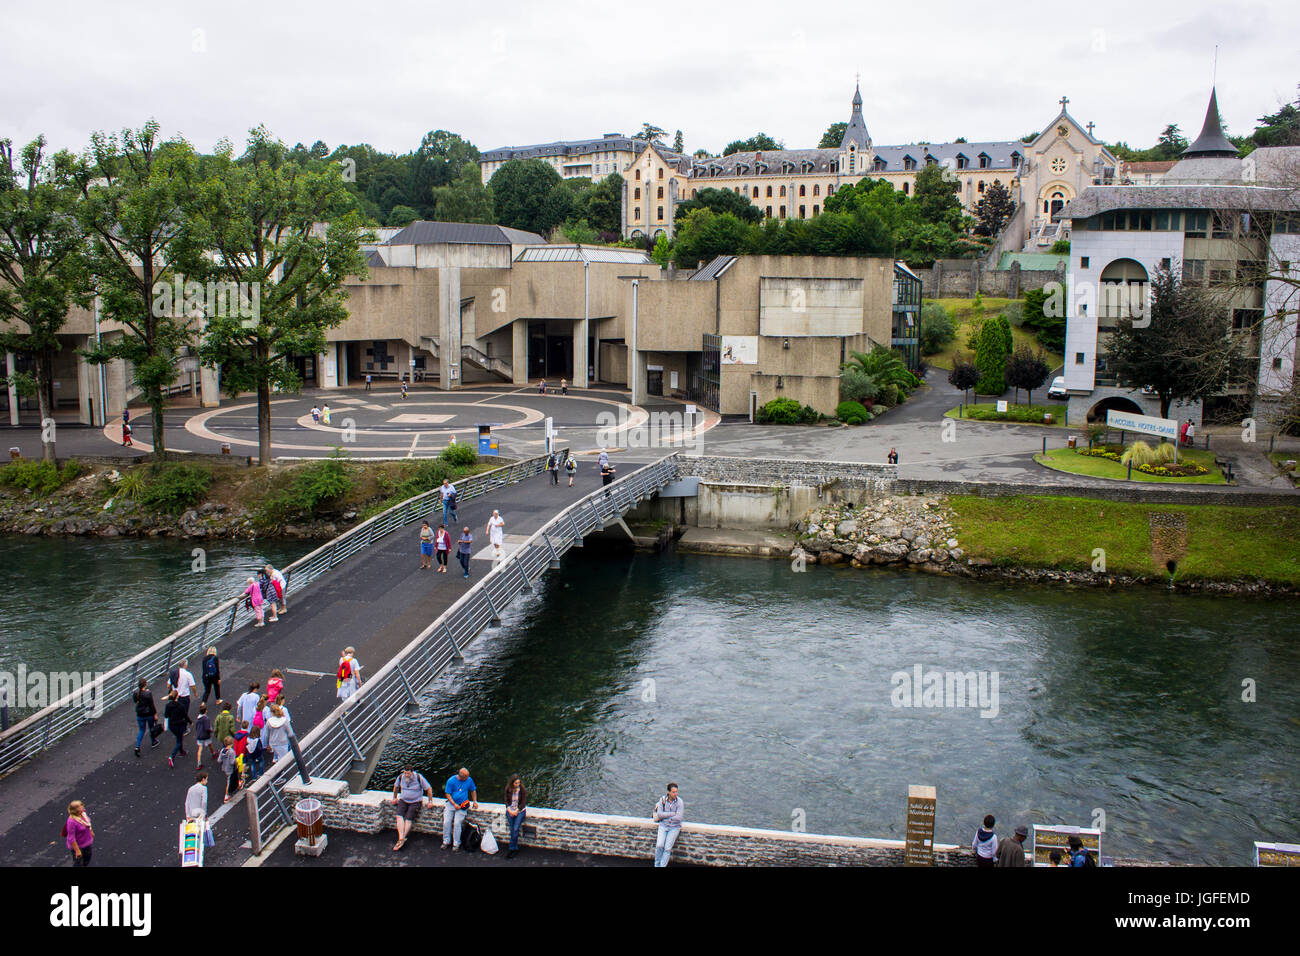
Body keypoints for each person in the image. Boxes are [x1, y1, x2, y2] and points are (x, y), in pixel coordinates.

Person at [390, 764, 433, 851]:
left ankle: (401, 840)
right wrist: (394, 798)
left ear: (412, 773)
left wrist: (430, 801)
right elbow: (396, 787)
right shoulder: (401, 777)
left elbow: (428, 789)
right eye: (405, 773)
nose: (406, 775)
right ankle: (401, 838)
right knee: (399, 816)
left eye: (408, 774)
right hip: (403, 800)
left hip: (415, 801)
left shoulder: (418, 777)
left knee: (408, 819)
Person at [441, 767, 478, 851]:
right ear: (461, 776)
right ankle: (446, 841)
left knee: (458, 823)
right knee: (446, 822)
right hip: (451, 804)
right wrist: (454, 804)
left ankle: (456, 843)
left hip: (462, 805)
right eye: (466, 777)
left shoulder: (469, 780)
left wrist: (475, 801)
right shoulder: (451, 781)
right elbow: (447, 794)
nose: (467, 778)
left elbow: (473, 790)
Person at [652, 782, 684, 867]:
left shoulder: (680, 802)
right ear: (668, 792)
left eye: (676, 792)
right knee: (659, 845)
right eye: (673, 792)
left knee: (667, 848)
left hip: (674, 827)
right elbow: (659, 814)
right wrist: (672, 813)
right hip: (663, 825)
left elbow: (679, 818)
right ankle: (657, 865)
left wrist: (666, 815)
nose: (675, 794)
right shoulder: (662, 800)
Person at [132, 678, 159, 757]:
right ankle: (153, 741)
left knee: (141, 730)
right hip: (148, 714)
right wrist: (155, 714)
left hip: (140, 714)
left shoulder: (136, 693)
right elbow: (151, 705)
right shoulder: (148, 693)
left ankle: (137, 746)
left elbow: (135, 701)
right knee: (151, 728)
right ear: (145, 684)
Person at [164, 690, 191, 767]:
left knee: (178, 737)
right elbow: (185, 715)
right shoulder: (180, 706)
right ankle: (172, 756)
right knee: (179, 740)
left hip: (171, 725)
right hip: (179, 724)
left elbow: (166, 715)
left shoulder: (168, 705)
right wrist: (190, 722)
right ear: (177, 696)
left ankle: (182, 751)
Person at [504, 774, 527, 859]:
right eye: (516, 783)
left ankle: (511, 848)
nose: (518, 784)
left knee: (515, 828)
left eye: (519, 783)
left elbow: (523, 803)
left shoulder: (522, 790)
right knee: (512, 828)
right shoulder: (508, 789)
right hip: (510, 810)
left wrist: (516, 811)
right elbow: (506, 801)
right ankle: (514, 848)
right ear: (512, 783)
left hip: (520, 811)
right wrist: (509, 810)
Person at [64, 800, 94, 866]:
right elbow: (70, 838)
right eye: (80, 807)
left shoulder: (83, 813)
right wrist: (77, 850)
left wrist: (91, 831)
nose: (83, 808)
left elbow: (87, 823)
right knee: (78, 863)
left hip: (87, 842)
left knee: (87, 859)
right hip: (78, 845)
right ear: (75, 810)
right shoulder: (72, 821)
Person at [217, 736, 241, 803]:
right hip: (230, 769)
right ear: (231, 743)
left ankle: (237, 783)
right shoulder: (232, 752)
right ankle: (226, 796)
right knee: (229, 782)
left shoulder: (222, 750)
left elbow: (219, 760)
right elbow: (232, 762)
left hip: (224, 768)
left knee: (230, 777)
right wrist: (237, 760)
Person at [194, 702, 213, 769]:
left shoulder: (198, 719)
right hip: (206, 735)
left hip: (199, 735)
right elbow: (207, 728)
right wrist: (212, 730)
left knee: (200, 749)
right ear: (205, 711)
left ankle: (199, 763)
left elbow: (196, 727)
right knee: (210, 744)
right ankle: (213, 753)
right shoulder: (206, 719)